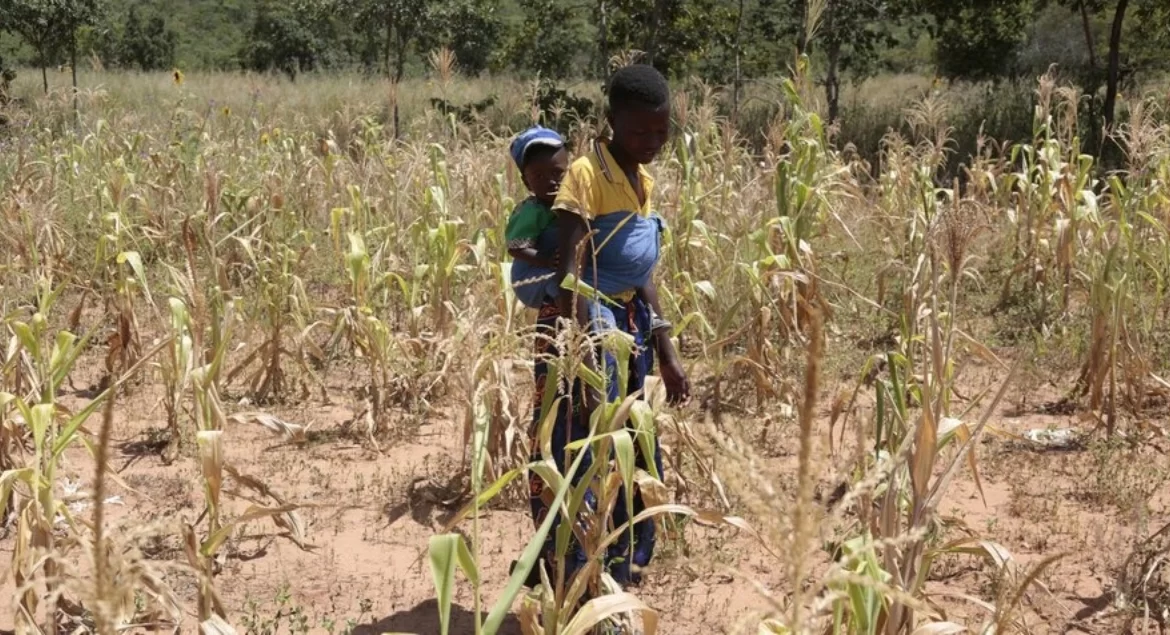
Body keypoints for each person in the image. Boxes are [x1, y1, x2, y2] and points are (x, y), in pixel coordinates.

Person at [522, 64, 690, 591]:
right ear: (613, 121)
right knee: (578, 446)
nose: (652, 142)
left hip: (629, 328)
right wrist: (587, 345)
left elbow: (640, 273)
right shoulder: (587, 176)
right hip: (586, 329)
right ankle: (570, 572)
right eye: (641, 131)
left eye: (661, 132)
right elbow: (571, 271)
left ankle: (617, 562)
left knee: (627, 442)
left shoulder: (642, 179)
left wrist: (666, 349)